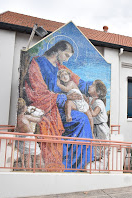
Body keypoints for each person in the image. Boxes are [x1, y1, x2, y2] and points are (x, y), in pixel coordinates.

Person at [24, 40, 93, 171]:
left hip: (61, 107)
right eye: (66, 55)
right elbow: (37, 92)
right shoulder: (37, 63)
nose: (66, 60)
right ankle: (71, 164)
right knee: (81, 119)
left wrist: (89, 89)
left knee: (83, 117)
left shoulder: (60, 67)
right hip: (48, 108)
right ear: (58, 51)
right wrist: (64, 97)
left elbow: (78, 81)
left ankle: (79, 163)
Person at [56, 68, 94, 135]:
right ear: (60, 78)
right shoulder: (63, 88)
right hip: (74, 102)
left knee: (90, 117)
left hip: (81, 102)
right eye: (62, 76)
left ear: (69, 76)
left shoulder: (71, 83)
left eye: (66, 74)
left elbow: (67, 89)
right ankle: (68, 116)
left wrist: (58, 84)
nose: (65, 76)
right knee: (68, 103)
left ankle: (92, 133)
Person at [86, 80, 110, 170]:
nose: (89, 86)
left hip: (101, 128)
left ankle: (102, 167)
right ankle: (97, 166)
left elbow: (93, 114)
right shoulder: (92, 101)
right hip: (96, 127)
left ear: (98, 92)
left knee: (101, 148)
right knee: (96, 148)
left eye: (92, 85)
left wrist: (86, 105)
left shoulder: (99, 102)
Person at [15, 98, 43, 169]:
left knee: (27, 158)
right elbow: (39, 120)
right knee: (38, 156)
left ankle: (28, 170)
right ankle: (41, 170)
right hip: (29, 138)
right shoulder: (26, 117)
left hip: (21, 138)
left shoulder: (17, 118)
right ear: (24, 108)